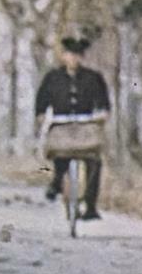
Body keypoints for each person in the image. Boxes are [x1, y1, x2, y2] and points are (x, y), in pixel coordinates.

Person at [35, 35, 112, 220]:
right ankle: (57, 182)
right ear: (63, 56)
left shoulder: (93, 78)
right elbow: (41, 100)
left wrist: (103, 113)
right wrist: (41, 114)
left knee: (94, 160)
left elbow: (104, 102)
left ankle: (91, 205)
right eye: (70, 55)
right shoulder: (52, 77)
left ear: (81, 57)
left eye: (77, 55)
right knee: (59, 153)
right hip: (61, 125)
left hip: (86, 126)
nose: (73, 59)